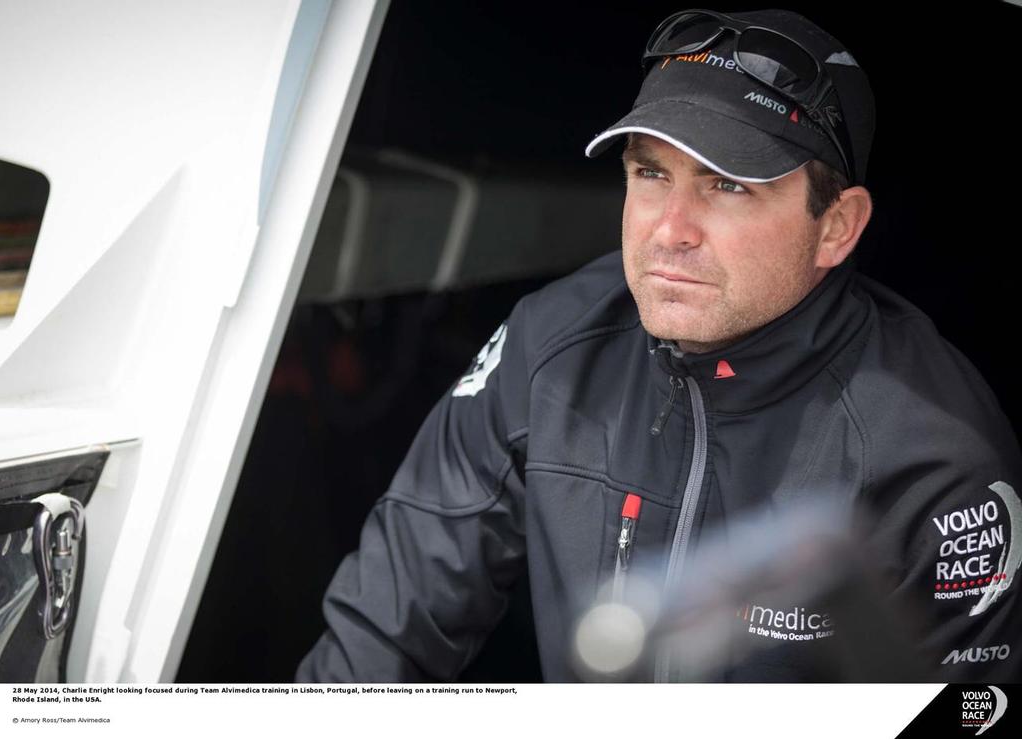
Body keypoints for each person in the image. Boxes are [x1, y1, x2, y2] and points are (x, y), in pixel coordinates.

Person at [297, 8, 1021, 682]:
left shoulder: (932, 456)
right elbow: (384, 635)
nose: (669, 227)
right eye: (650, 173)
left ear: (836, 226)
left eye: (729, 185)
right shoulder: (550, 345)